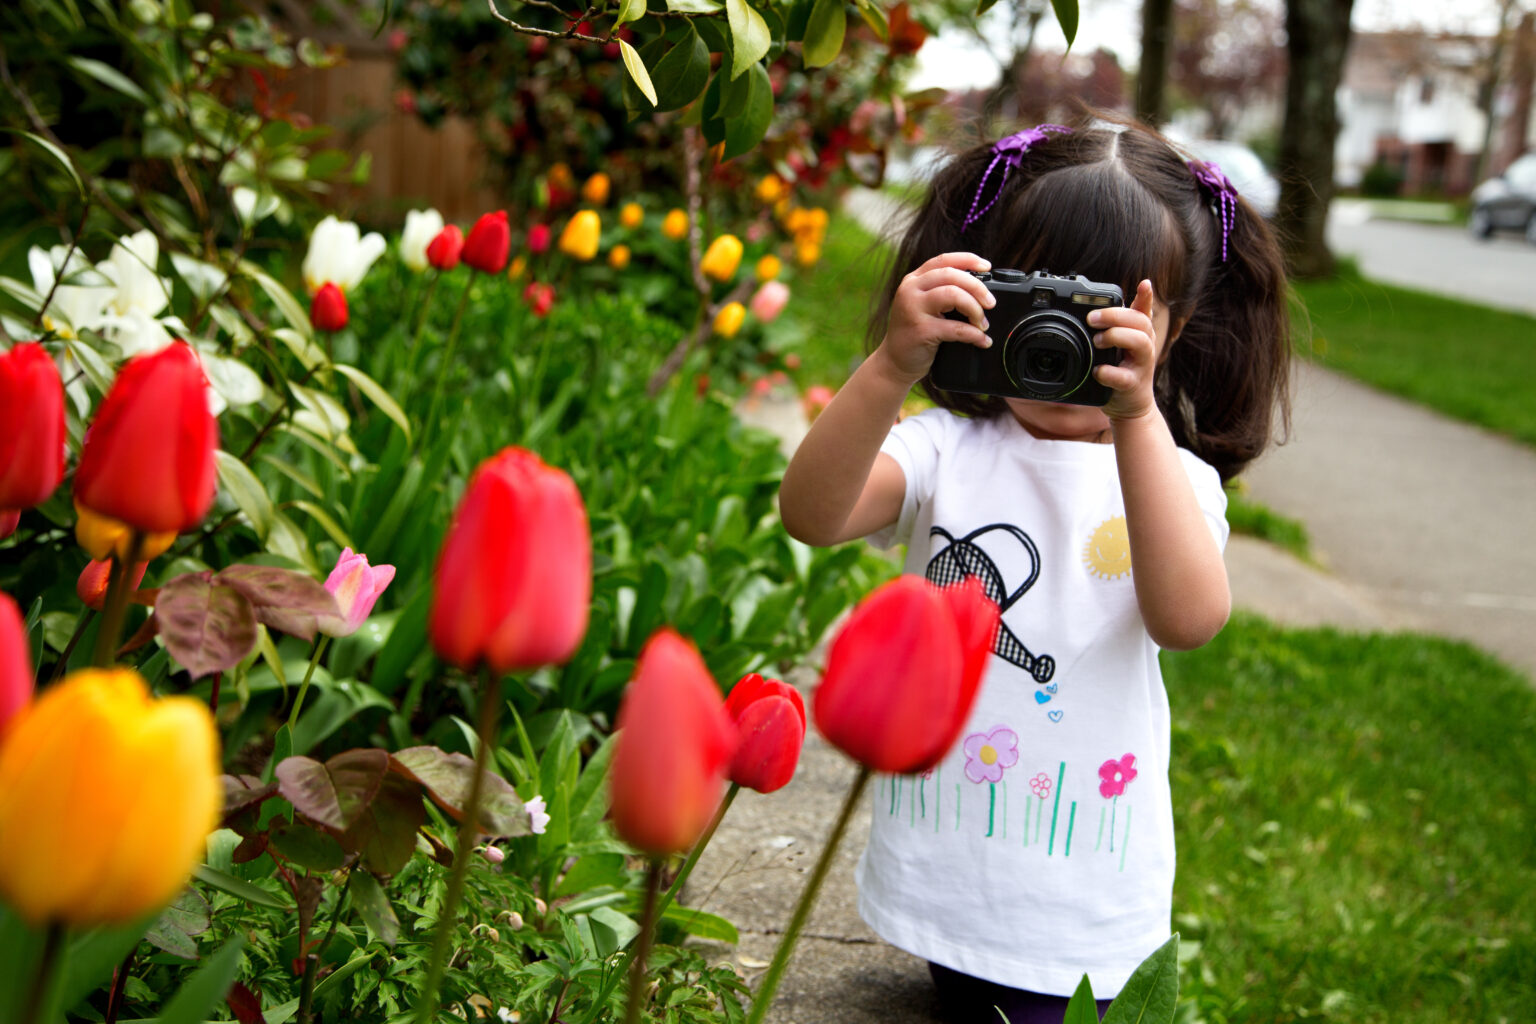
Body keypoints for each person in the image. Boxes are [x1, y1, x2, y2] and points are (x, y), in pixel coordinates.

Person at [778, 112, 1291, 1023]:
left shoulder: (1171, 479)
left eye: (1105, 320)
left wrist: (1136, 419)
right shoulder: (948, 447)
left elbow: (1189, 619)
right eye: (1035, 304)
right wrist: (893, 364)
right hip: (945, 886)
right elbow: (813, 516)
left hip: (1080, 910)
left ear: (1173, 327)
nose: (1061, 343)